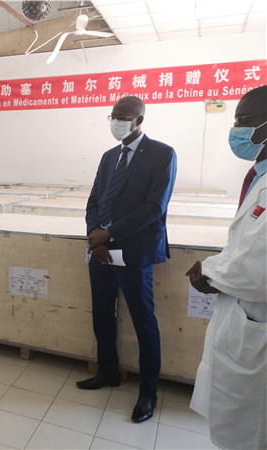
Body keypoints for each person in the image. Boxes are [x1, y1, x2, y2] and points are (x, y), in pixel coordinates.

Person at [78, 96, 177, 423]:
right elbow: (94, 200)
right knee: (102, 313)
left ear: (139, 120)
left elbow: (154, 207)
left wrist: (109, 234)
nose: (117, 122)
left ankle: (148, 392)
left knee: (143, 321)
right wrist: (94, 234)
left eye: (124, 117)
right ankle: (108, 371)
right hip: (101, 251)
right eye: (113, 116)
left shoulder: (162, 154)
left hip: (134, 252)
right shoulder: (109, 156)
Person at [186, 85, 266, 449]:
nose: (236, 130)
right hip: (242, 312)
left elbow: (257, 267)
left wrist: (210, 273)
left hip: (255, 315)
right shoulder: (259, 176)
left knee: (251, 428)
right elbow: (245, 245)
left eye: (244, 120)